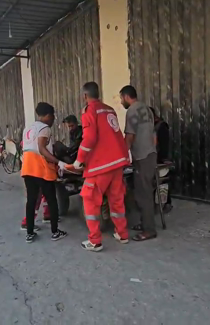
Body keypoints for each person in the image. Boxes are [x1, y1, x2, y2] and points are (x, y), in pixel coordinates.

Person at [73, 82, 130, 252]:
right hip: (117, 162)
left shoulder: (90, 111)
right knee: (117, 199)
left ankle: (95, 241)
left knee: (90, 201)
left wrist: (79, 160)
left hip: (100, 165)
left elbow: (89, 139)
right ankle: (122, 234)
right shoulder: (109, 109)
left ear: (85, 96)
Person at [20, 102, 68, 243]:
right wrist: (58, 162)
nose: (53, 120)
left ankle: (30, 232)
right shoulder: (44, 128)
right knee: (52, 200)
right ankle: (55, 232)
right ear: (48, 116)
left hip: (28, 168)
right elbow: (42, 148)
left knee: (31, 200)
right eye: (52, 116)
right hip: (41, 168)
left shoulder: (28, 128)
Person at [121, 85, 158, 241]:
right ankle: (145, 223)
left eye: (121, 98)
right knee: (143, 191)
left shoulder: (132, 111)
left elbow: (130, 136)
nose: (122, 102)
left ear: (126, 96)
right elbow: (154, 136)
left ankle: (149, 230)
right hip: (150, 154)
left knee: (144, 194)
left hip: (142, 157)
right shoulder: (147, 109)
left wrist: (122, 156)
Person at [149, 106, 173, 213]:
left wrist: (162, 159)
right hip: (154, 158)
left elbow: (164, 146)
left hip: (161, 160)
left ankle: (165, 204)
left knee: (162, 183)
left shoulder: (161, 126)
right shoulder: (151, 126)